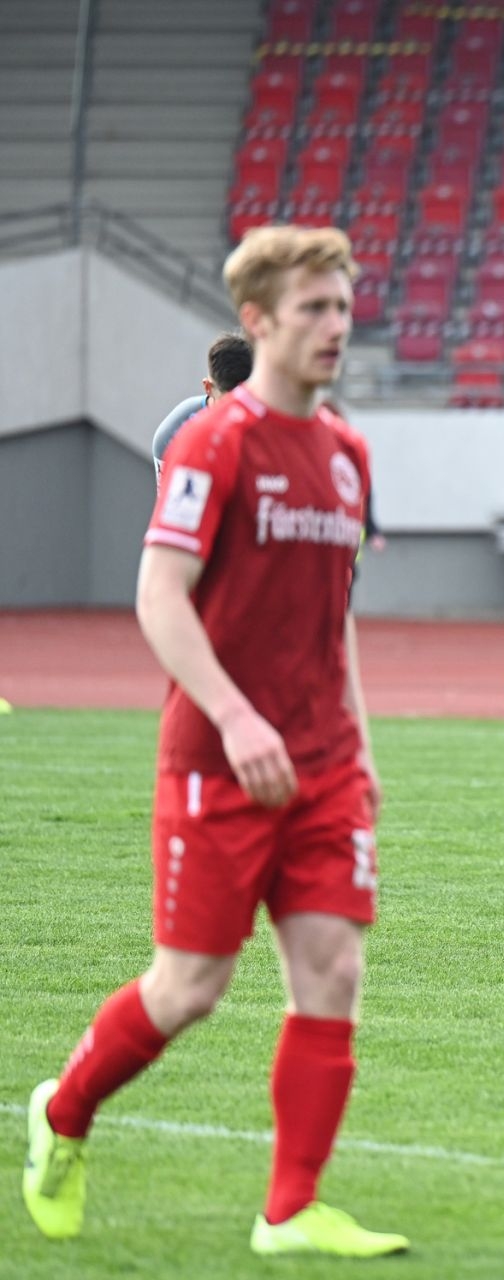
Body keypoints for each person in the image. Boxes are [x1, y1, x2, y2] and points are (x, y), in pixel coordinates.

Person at [22, 225, 407, 1257]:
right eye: (313, 308)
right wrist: (236, 716)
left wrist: (360, 748)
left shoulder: (348, 453)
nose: (335, 325)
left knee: (332, 973)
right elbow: (160, 594)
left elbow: (333, 616)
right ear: (259, 321)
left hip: (322, 763)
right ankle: (63, 1113)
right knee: (191, 986)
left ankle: (290, 1210)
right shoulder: (214, 441)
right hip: (218, 761)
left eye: (342, 306)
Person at [152, 332, 253, 481]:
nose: (237, 411)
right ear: (208, 388)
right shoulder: (172, 434)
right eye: (227, 403)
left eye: (245, 400)